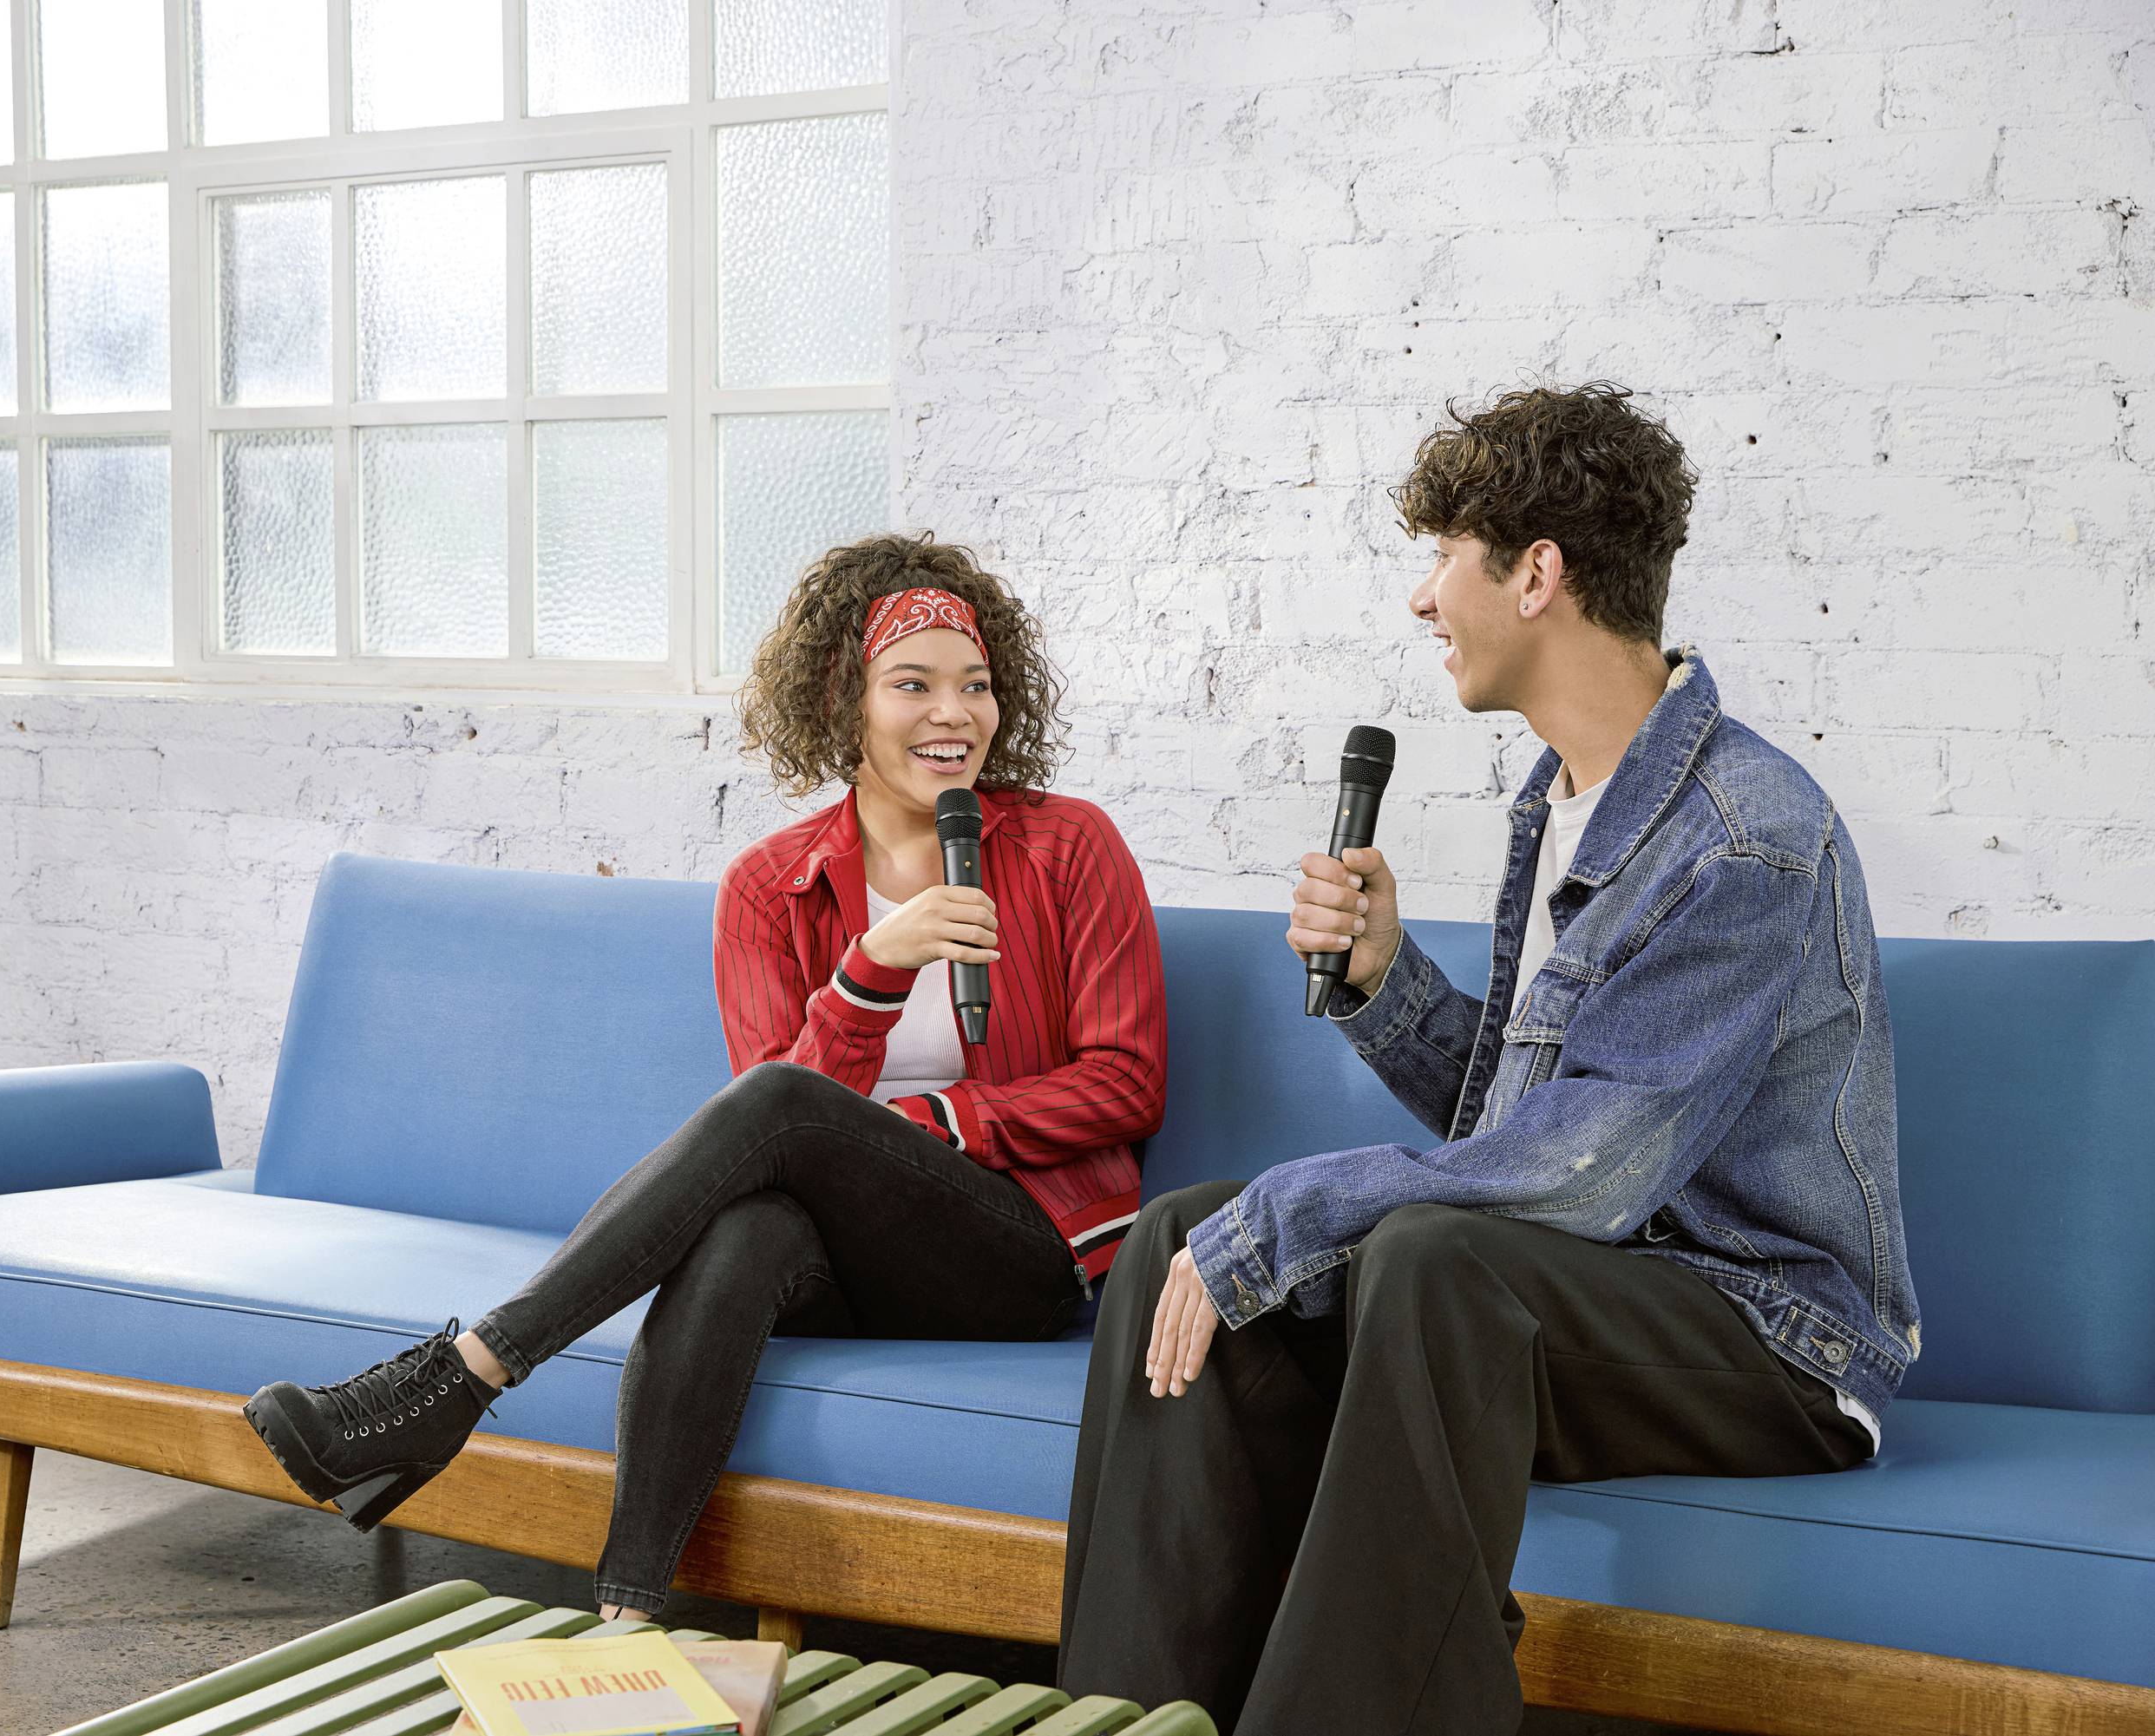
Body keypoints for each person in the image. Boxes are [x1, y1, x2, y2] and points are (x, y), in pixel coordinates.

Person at [1058, 383, 1920, 1733]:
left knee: (1419, 1256)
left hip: (1774, 1341)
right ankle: (1123, 1718)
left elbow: (1585, 1173)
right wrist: (1389, 987)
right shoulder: (1565, 799)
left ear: (1537, 572)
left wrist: (1297, 1205)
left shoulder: (1748, 839)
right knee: (1188, 1227)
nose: (1422, 599)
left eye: (1446, 555)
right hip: (1578, 1288)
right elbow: (1533, 1125)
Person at [244, 533, 1167, 1621]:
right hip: (841, 1260)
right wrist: (875, 969)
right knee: (743, 1234)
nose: (952, 713)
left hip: (1020, 1251)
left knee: (779, 1106)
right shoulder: (771, 887)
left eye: (975, 686)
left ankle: (458, 1380)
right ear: (846, 702)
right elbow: (768, 1132)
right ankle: (624, 1621)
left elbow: (1126, 1082)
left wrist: (942, 1120)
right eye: (912, 684)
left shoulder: (1068, 846)